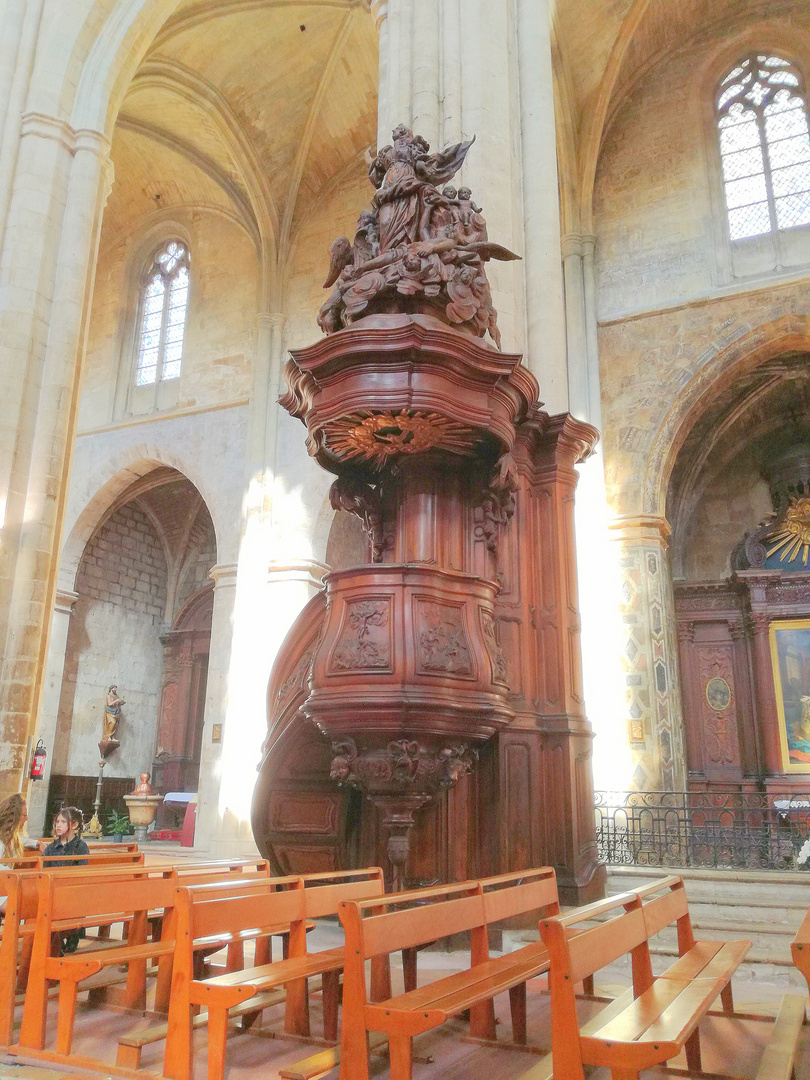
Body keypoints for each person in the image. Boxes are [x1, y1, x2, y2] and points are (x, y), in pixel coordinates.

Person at [41, 807, 90, 953]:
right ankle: (57, 938)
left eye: (63, 822)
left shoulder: (81, 847)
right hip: (53, 889)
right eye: (57, 822)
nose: (58, 825)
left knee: (72, 899)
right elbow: (43, 869)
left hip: (72, 890)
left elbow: (82, 871)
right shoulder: (51, 848)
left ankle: (72, 934)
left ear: (74, 825)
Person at [0, 793, 34, 915]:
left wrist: (36, 843)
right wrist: (17, 876)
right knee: (23, 907)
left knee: (35, 904)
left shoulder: (11, 837)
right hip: (3, 888)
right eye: (24, 814)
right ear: (14, 816)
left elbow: (21, 840)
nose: (27, 818)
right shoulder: (1, 841)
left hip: (6, 887)